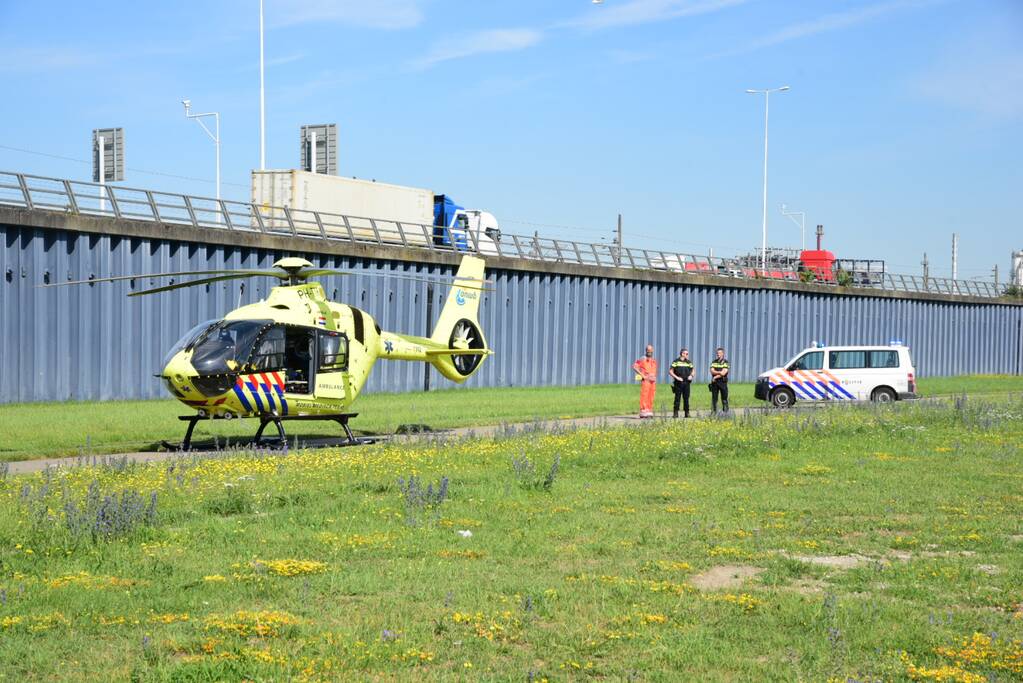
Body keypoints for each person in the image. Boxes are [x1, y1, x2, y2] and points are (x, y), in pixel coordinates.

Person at [631, 344, 658, 418]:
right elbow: (634, 366)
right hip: (646, 380)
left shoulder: (653, 360)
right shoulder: (642, 358)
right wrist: (642, 375)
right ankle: (643, 410)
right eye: (648, 350)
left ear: (652, 350)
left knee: (651, 395)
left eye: (651, 350)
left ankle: (649, 410)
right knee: (645, 395)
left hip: (653, 381)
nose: (649, 351)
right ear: (646, 350)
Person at [668, 348, 695, 418]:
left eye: (687, 354)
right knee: (677, 398)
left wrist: (691, 376)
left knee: (686, 398)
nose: (687, 355)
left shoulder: (689, 362)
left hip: (687, 383)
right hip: (678, 383)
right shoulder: (676, 361)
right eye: (686, 354)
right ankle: (675, 413)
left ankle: (687, 413)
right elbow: (670, 371)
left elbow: (693, 370)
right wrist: (677, 377)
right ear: (682, 354)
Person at [708, 346, 730, 414]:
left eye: (720, 353)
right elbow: (712, 371)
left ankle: (725, 413)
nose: (718, 354)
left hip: (722, 382)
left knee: (724, 398)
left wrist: (715, 377)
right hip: (715, 383)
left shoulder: (726, 362)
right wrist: (719, 372)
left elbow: (724, 373)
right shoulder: (714, 362)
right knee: (714, 399)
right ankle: (714, 412)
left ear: (723, 354)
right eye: (717, 353)